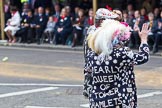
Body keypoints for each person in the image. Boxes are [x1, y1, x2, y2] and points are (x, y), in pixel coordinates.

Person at [85, 19, 150, 108]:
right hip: (119, 101)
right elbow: (143, 57)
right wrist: (143, 40)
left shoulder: (91, 55)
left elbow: (88, 76)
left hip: (97, 102)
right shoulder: (121, 53)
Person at [83, 8, 119, 98]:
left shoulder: (98, 30)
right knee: (95, 95)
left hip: (101, 67)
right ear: (102, 21)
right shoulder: (94, 31)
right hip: (96, 67)